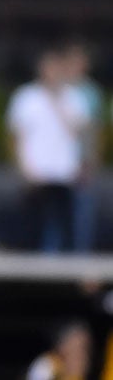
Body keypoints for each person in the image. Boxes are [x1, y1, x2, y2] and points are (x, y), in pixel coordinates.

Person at [6, 46, 89, 252]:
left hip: (64, 172)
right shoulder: (26, 97)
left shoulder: (73, 97)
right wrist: (23, 166)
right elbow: (17, 135)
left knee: (64, 222)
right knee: (35, 221)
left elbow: (78, 132)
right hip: (37, 171)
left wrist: (57, 103)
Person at [62, 41, 105, 252]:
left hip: (80, 161)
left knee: (82, 212)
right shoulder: (55, 90)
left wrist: (90, 160)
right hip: (56, 163)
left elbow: (93, 131)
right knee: (58, 212)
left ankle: (80, 253)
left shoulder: (90, 93)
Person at [26, 320, 92, 380]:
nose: (83, 357)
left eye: (85, 349)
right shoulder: (47, 366)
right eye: (77, 349)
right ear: (63, 348)